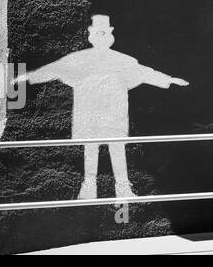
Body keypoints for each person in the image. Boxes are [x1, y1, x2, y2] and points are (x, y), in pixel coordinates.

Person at [19, 14, 188, 200]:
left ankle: (122, 188)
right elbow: (54, 69)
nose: (101, 37)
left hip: (113, 114)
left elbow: (143, 72)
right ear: (92, 35)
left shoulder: (122, 60)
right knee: (91, 150)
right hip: (89, 114)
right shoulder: (79, 59)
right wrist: (29, 76)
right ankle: (89, 188)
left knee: (117, 149)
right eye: (98, 33)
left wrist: (168, 79)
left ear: (109, 35)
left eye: (104, 33)